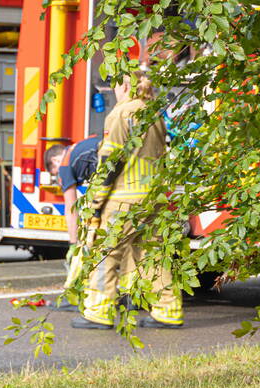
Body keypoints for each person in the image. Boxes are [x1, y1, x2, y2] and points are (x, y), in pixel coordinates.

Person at [72, 73, 182, 330]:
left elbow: (110, 162)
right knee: (153, 254)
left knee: (104, 253)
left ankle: (98, 311)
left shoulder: (121, 114)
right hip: (154, 197)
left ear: (124, 87)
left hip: (124, 197)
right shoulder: (153, 113)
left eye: (115, 88)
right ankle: (168, 309)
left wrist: (95, 203)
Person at [44, 135, 101, 311]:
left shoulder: (65, 163)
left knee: (84, 243)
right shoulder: (84, 145)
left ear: (55, 160)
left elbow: (71, 207)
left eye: (55, 174)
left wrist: (73, 243)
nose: (59, 177)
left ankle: (73, 297)